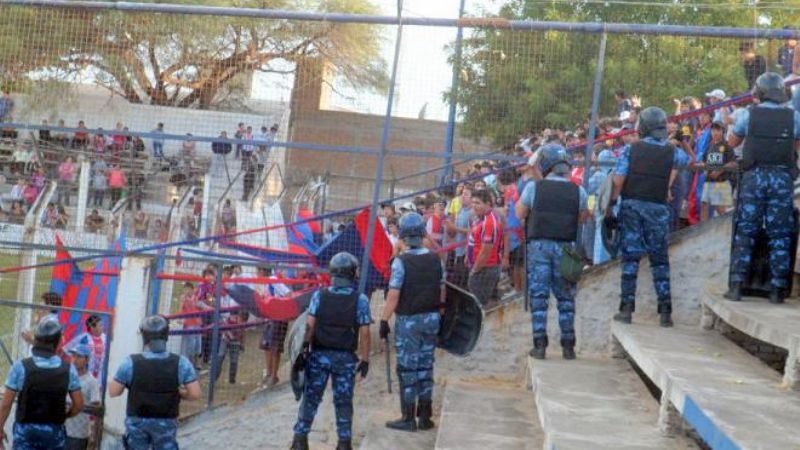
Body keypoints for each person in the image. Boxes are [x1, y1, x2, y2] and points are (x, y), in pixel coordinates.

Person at [726, 72, 800, 304]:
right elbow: (796, 145)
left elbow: (733, 142)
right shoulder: (794, 116)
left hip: (754, 178)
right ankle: (778, 290)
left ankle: (737, 285)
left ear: (759, 92)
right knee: (780, 233)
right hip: (781, 178)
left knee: (746, 230)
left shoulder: (749, 114)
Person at [609, 106, 685, 327]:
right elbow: (686, 161)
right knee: (660, 259)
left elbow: (619, 180)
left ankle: (626, 309)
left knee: (630, 258)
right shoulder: (672, 151)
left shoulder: (631, 150)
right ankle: (665, 312)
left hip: (632, 206)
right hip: (658, 208)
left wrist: (612, 203)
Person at [290, 252, 371, 450]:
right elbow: (366, 332)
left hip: (319, 356)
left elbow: (308, 327)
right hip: (345, 359)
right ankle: (344, 443)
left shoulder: (320, 295)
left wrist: (302, 355)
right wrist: (365, 360)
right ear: (352, 273)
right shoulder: (360, 299)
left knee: (311, 398)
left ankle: (300, 439)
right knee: (343, 401)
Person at [516, 144, 589, 360]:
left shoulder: (534, 188)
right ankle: (568, 345)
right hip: (566, 247)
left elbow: (520, 213)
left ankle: (539, 345)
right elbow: (583, 217)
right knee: (566, 297)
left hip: (540, 246)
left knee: (539, 297)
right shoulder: (579, 190)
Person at [379, 213, 443, 433]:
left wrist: (384, 319)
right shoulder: (436, 258)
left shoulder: (401, 262)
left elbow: (394, 294)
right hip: (432, 318)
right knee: (426, 367)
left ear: (404, 237)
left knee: (408, 369)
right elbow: (442, 289)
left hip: (409, 321)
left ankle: (408, 418)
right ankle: (425, 417)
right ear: (423, 233)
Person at [109, 315, 201, 450]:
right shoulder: (181, 363)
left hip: (137, 422)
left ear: (144, 337)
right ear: (166, 336)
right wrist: (180, 393)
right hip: (166, 422)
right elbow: (195, 394)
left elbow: (113, 392)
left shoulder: (131, 362)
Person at [0, 318, 84, 449]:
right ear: (57, 343)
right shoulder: (69, 370)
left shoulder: (20, 367)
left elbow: (6, 404)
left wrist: (0, 427)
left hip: (25, 433)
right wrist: (65, 415)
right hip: (54, 433)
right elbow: (78, 405)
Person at [467, 189, 503, 306]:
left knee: (478, 305)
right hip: (485, 267)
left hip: (486, 268)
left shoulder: (489, 222)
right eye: (472, 202)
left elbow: (486, 252)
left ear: (488, 203)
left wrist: (475, 270)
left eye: (477, 203)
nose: (474, 206)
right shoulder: (483, 218)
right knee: (487, 303)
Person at [64, 345, 101, 450]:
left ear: (87, 359)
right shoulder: (67, 377)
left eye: (79, 357)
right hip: (63, 429)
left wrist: (77, 406)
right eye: (74, 356)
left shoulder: (92, 382)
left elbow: (96, 407)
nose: (75, 360)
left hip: (79, 433)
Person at [698, 121, 736, 221]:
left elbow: (733, 163)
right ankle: (703, 230)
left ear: (723, 131)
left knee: (720, 209)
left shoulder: (727, 146)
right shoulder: (709, 146)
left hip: (722, 182)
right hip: (709, 180)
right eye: (713, 130)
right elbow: (705, 162)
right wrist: (703, 167)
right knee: (704, 205)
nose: (715, 132)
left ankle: (726, 230)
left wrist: (719, 170)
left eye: (718, 130)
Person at [63, 315, 107, 380]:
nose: (103, 327)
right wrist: (75, 361)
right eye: (100, 325)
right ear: (92, 327)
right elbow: (66, 349)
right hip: (84, 375)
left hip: (99, 377)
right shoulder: (83, 338)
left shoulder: (105, 338)